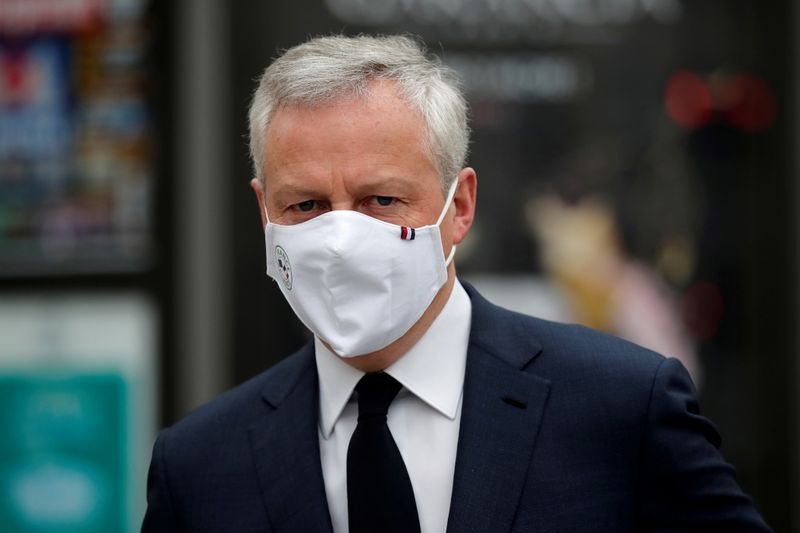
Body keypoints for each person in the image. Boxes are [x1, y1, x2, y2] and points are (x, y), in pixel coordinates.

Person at [142, 34, 771, 532]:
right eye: (305, 206)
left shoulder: (622, 405)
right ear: (264, 213)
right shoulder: (199, 465)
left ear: (460, 207)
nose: (339, 238)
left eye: (381, 199)